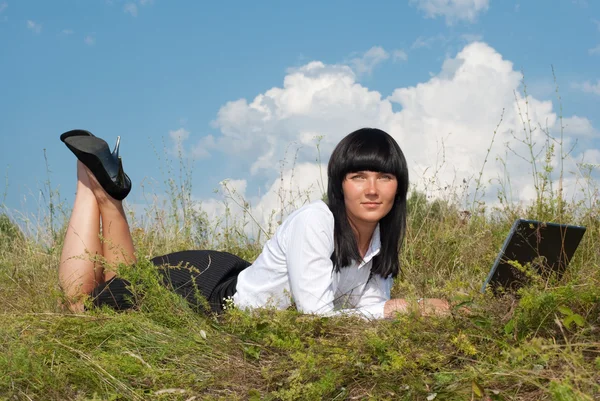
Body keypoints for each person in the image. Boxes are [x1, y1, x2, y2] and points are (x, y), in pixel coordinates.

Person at [58, 128, 451, 319]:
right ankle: (86, 176)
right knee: (84, 307)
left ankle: (107, 187)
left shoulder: (381, 239)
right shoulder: (316, 221)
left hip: (227, 275)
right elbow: (317, 318)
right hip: (203, 291)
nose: (371, 189)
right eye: (358, 177)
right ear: (339, 185)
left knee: (124, 283)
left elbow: (367, 310)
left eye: (383, 178)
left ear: (399, 187)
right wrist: (401, 310)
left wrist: (397, 311)